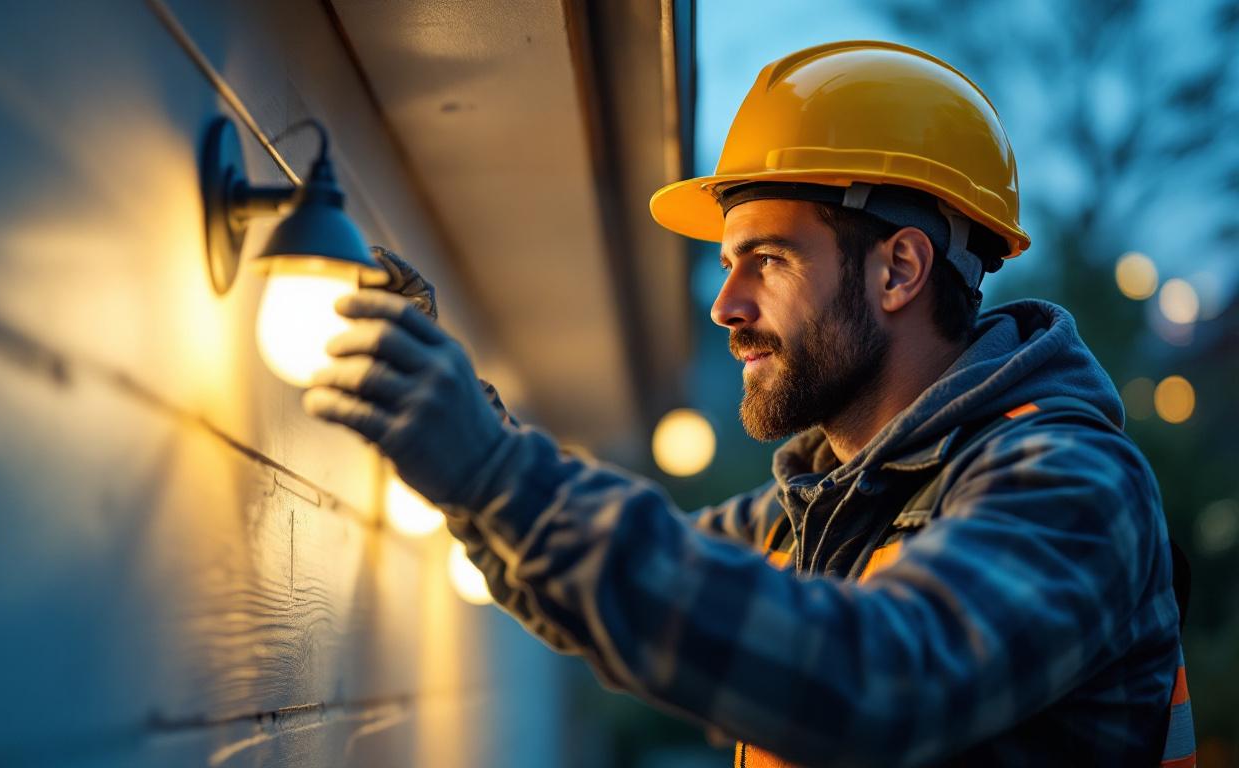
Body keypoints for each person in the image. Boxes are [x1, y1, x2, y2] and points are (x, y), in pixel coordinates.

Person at [303, 41, 1194, 767]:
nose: (725, 306)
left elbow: (880, 680)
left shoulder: (1071, 482)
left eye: (767, 260)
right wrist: (465, 429)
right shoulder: (815, 507)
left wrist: (495, 471)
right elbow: (618, 584)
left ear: (899, 270)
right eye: (727, 265)